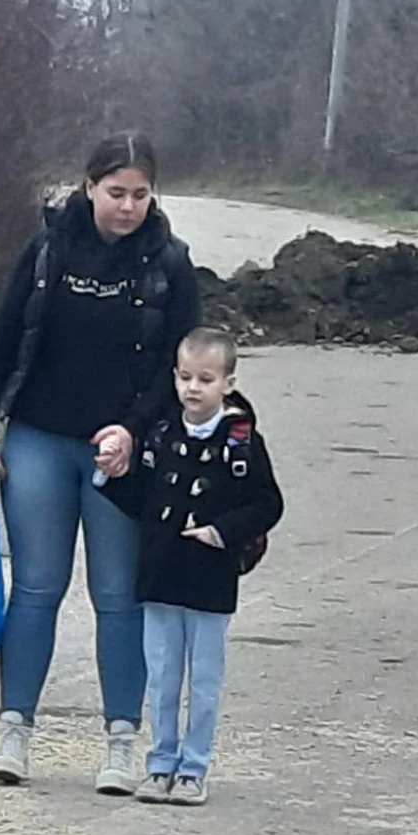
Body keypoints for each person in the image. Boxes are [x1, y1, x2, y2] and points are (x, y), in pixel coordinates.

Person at [0, 131, 200, 792]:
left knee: (118, 596)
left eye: (139, 194)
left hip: (121, 451)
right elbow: (4, 341)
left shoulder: (169, 263)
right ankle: (13, 731)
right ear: (88, 186)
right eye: (114, 192)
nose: (126, 206)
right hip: (38, 436)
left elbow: (176, 368)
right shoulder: (45, 251)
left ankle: (121, 741)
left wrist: (131, 429)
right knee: (36, 586)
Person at [96, 326, 284, 805]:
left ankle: (193, 769)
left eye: (205, 378)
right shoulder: (162, 434)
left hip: (209, 581)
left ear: (228, 383)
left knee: (203, 680)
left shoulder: (240, 442)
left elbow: (267, 503)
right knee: (161, 677)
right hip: (160, 578)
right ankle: (159, 764)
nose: (192, 388)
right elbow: (141, 498)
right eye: (184, 377)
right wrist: (110, 473)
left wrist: (220, 531)